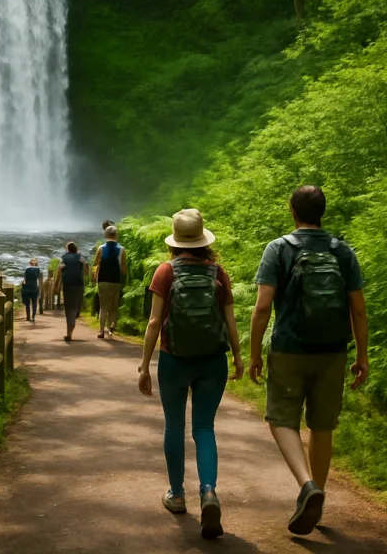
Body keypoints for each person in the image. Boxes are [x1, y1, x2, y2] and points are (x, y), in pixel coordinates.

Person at [248, 185, 369, 536]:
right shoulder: (342, 251)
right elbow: (358, 310)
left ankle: (306, 486)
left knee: (281, 419)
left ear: (292, 211)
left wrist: (255, 353)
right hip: (333, 351)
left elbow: (262, 307)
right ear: (323, 212)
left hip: (289, 348)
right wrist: (362, 355)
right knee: (322, 425)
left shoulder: (279, 248)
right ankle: (319, 497)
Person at [138, 208, 242, 540]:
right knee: (204, 427)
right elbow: (230, 321)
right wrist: (239, 357)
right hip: (213, 361)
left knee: (174, 426)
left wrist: (143, 366)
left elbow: (154, 323)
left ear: (175, 240)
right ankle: (209, 490)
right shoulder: (218, 272)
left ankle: (177, 495)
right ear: (202, 239)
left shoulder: (165, 272)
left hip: (174, 360)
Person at [92, 223, 127, 338]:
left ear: (105, 234)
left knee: (103, 307)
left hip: (103, 280)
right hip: (116, 281)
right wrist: (124, 279)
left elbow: (95, 263)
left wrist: (94, 275)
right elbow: (123, 268)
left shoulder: (101, 248)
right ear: (116, 235)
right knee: (114, 306)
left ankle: (101, 331)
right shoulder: (122, 250)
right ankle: (111, 328)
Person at [58, 242, 86, 341]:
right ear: (76, 249)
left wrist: (56, 287)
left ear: (67, 249)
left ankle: (69, 332)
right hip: (78, 285)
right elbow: (86, 271)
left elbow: (59, 272)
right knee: (75, 307)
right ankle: (71, 326)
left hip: (67, 286)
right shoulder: (81, 258)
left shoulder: (63, 258)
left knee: (68, 308)